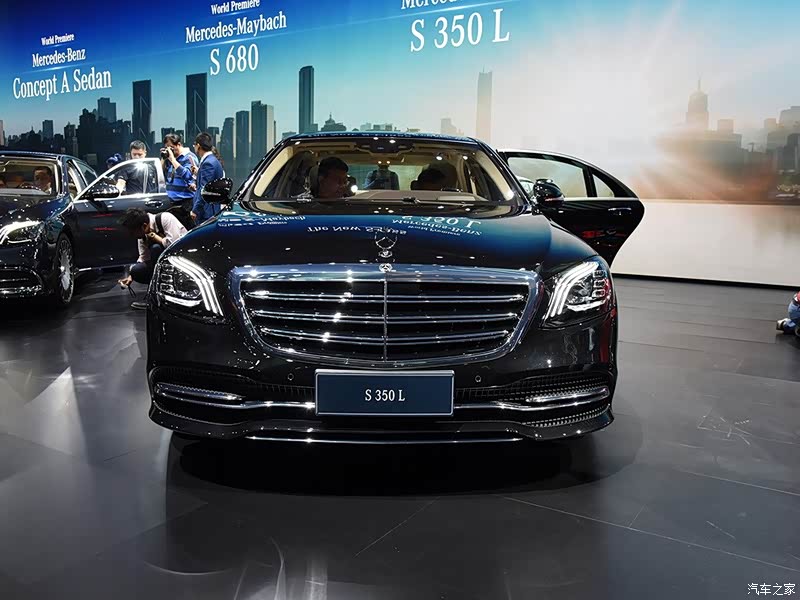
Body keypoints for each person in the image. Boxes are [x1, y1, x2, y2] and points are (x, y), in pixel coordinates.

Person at [117, 207, 187, 310]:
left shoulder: (165, 218)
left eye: (132, 232)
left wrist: (155, 237)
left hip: (182, 260)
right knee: (136, 270)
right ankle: (156, 295)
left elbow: (175, 245)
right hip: (163, 265)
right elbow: (143, 256)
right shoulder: (142, 234)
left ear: (144, 226)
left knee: (155, 248)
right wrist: (130, 277)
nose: (132, 236)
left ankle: (164, 296)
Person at [162, 133, 196, 229]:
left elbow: (188, 175)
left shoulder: (189, 157)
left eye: (171, 148)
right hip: (172, 203)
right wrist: (164, 158)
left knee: (186, 231)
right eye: (167, 148)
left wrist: (173, 160)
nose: (170, 150)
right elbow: (161, 173)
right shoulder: (170, 158)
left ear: (179, 144)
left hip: (186, 203)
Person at [191, 132, 225, 223]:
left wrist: (195, 209)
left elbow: (204, 189)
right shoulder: (213, 160)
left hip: (206, 212)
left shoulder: (208, 163)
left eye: (194, 145)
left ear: (198, 145)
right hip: (211, 209)